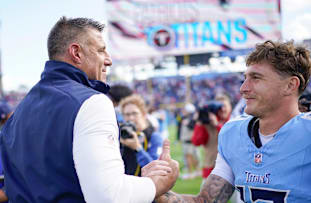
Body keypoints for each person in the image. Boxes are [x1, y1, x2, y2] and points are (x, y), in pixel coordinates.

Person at [156, 40, 311, 203]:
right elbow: (205, 200)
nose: (243, 88)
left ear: (290, 85)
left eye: (256, 78)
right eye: (245, 78)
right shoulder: (233, 133)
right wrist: (156, 189)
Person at [0, 17, 178, 202]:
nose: (108, 60)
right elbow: (109, 196)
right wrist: (156, 183)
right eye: (101, 50)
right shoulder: (91, 102)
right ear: (76, 53)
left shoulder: (18, 113)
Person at [119, 94, 163, 176]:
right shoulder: (121, 135)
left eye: (134, 113)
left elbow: (155, 169)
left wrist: (137, 148)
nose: (131, 118)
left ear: (144, 114)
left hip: (146, 184)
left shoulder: (154, 137)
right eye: (127, 114)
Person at [192, 93, 232, 180]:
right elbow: (197, 142)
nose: (222, 109)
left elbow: (231, 139)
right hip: (210, 169)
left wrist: (217, 125)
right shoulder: (208, 124)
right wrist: (200, 124)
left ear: (230, 107)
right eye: (219, 107)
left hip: (230, 171)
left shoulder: (234, 121)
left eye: (224, 106)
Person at [177, 103, 200, 179]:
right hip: (187, 140)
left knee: (190, 156)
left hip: (190, 140)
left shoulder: (192, 119)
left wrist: (192, 119)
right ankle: (195, 171)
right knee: (189, 156)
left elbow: (191, 126)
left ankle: (191, 172)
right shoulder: (185, 118)